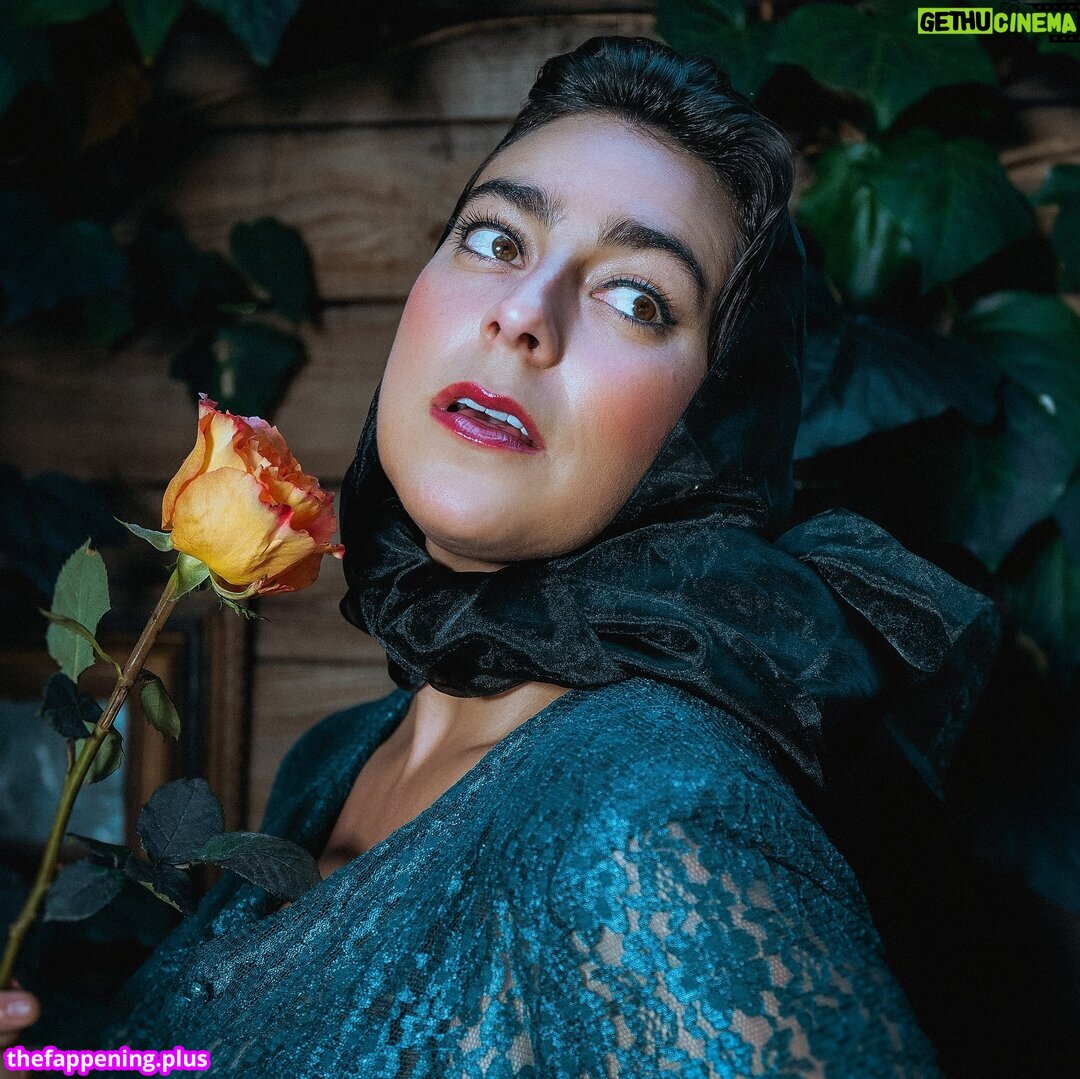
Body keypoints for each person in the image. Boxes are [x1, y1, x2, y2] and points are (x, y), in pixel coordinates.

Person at [2, 36, 1000, 1076]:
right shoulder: (336, 757)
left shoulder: (650, 807)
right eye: (494, 238)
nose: (524, 313)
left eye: (637, 298)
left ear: (712, 430)